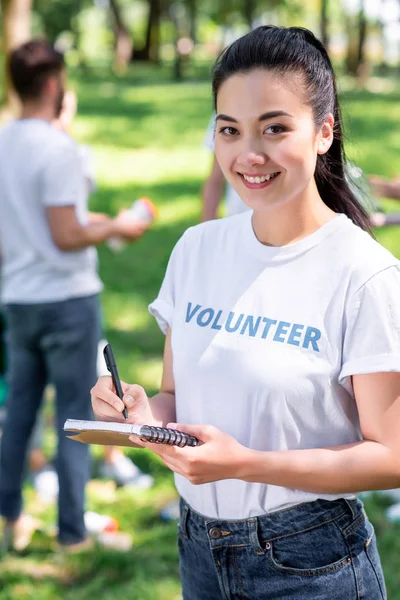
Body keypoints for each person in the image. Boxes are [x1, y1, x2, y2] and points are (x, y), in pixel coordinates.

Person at [90, 26, 400, 599]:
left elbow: (391, 457)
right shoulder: (197, 249)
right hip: (199, 552)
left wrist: (246, 464)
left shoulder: (364, 274)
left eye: (275, 128)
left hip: (313, 562)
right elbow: (177, 399)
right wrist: (136, 408)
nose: (248, 155)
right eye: (229, 130)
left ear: (324, 132)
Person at [0, 40, 148, 552]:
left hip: (17, 298)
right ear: (52, 84)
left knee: (20, 410)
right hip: (66, 299)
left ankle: (9, 516)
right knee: (77, 416)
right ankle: (70, 534)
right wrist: (118, 227)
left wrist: (102, 224)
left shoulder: (2, 142)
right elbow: (65, 232)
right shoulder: (56, 147)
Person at [201, 114, 249, 220]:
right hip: (237, 220)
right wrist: (208, 227)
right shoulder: (224, 107)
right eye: (231, 131)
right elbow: (215, 179)